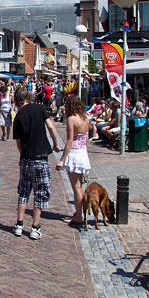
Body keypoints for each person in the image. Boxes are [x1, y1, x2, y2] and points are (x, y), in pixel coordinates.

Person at [12, 87, 60, 239]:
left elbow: (18, 143)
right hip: (41, 157)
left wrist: (23, 156)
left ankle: (19, 224)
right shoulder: (40, 109)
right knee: (40, 193)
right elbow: (51, 127)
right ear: (28, 97)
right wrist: (56, 143)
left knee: (24, 192)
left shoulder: (18, 116)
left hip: (26, 157)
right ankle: (35, 227)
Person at [56, 95, 91, 226]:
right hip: (83, 152)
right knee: (80, 186)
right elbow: (86, 139)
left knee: (76, 186)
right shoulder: (85, 118)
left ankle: (79, 216)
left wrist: (62, 160)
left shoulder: (72, 119)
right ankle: (80, 212)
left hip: (75, 153)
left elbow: (70, 141)